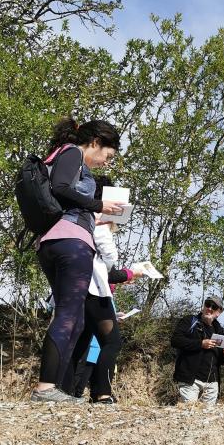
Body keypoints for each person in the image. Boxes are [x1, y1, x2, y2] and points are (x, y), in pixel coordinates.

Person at [31, 118, 125, 403]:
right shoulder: (72, 151)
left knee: (77, 319)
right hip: (72, 243)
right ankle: (46, 388)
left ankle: (55, 388)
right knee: (69, 315)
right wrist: (99, 205)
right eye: (107, 156)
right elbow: (60, 187)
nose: (106, 163)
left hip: (54, 240)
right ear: (95, 142)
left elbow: (62, 192)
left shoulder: (63, 154)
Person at [63, 178, 144, 403]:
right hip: (93, 290)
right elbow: (108, 257)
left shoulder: (74, 216)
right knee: (112, 342)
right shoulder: (97, 220)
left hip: (75, 287)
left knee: (79, 343)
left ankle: (66, 392)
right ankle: (101, 393)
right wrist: (130, 272)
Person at [171, 295, 224, 405]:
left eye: (214, 307)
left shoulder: (220, 331)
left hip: (212, 383)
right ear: (203, 306)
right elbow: (175, 340)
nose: (209, 308)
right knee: (190, 413)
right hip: (190, 380)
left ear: (219, 312)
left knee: (207, 418)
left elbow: (223, 362)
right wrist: (200, 344)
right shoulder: (189, 321)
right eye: (207, 304)